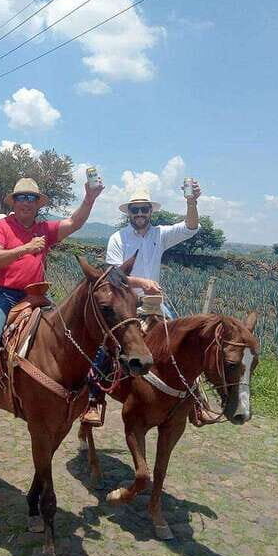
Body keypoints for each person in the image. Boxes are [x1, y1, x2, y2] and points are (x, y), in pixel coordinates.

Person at [0, 176, 104, 431]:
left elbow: (74, 222)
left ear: (37, 204)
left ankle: (84, 397)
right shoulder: (1, 227)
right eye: (22, 198)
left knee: (72, 334)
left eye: (32, 199)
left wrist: (89, 198)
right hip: (2, 294)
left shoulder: (45, 229)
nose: (26, 203)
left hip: (36, 295)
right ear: (14, 201)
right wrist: (27, 248)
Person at [80, 182, 202, 427]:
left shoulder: (160, 234)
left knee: (184, 342)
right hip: (124, 301)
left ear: (150, 211)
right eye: (134, 210)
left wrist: (192, 202)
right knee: (105, 345)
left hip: (152, 302)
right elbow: (113, 274)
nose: (139, 214)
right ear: (129, 213)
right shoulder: (118, 238)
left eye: (143, 209)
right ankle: (94, 398)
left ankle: (196, 400)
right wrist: (142, 282)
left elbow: (190, 226)